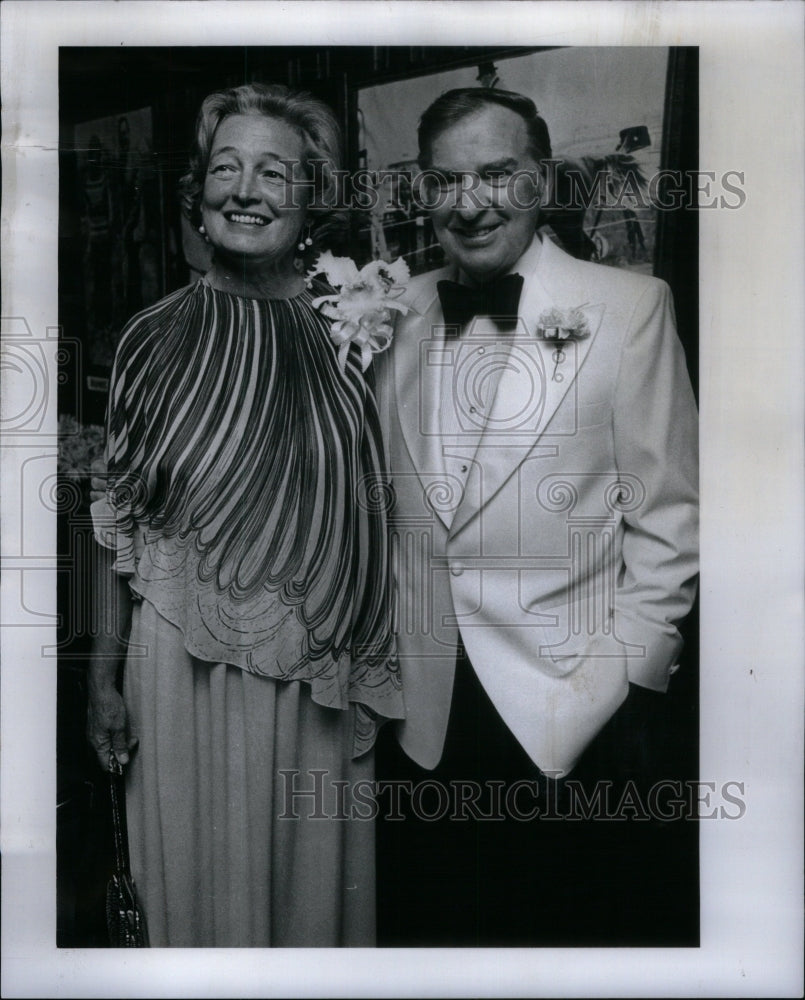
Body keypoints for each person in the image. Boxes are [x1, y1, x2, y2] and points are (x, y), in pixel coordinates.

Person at [373, 88, 699, 946]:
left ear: (542, 179)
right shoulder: (389, 313)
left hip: (569, 711)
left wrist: (620, 688)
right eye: (445, 181)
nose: (469, 202)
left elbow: (668, 521)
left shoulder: (630, 307)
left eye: (496, 174)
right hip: (421, 712)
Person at [86, 82, 403, 948]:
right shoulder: (148, 338)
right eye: (224, 167)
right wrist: (102, 676)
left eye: (273, 172)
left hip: (313, 671)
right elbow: (116, 516)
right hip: (175, 668)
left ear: (310, 201)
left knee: (304, 902)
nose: (243, 190)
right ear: (199, 191)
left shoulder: (356, 339)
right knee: (191, 893)